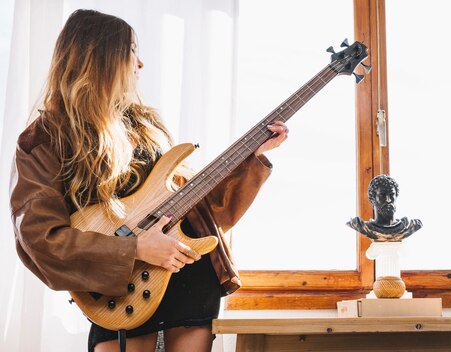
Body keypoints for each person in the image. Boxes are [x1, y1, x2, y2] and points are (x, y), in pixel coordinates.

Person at [9, 9, 288, 352]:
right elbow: (41, 240)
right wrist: (137, 248)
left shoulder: (145, 129)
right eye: (130, 51)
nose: (140, 64)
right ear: (100, 57)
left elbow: (203, 213)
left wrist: (252, 158)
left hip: (186, 277)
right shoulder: (43, 140)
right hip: (118, 288)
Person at [347, 175, 422, 242]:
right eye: (382, 195)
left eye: (392, 195)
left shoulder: (407, 226)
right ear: (372, 199)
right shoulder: (362, 227)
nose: (388, 200)